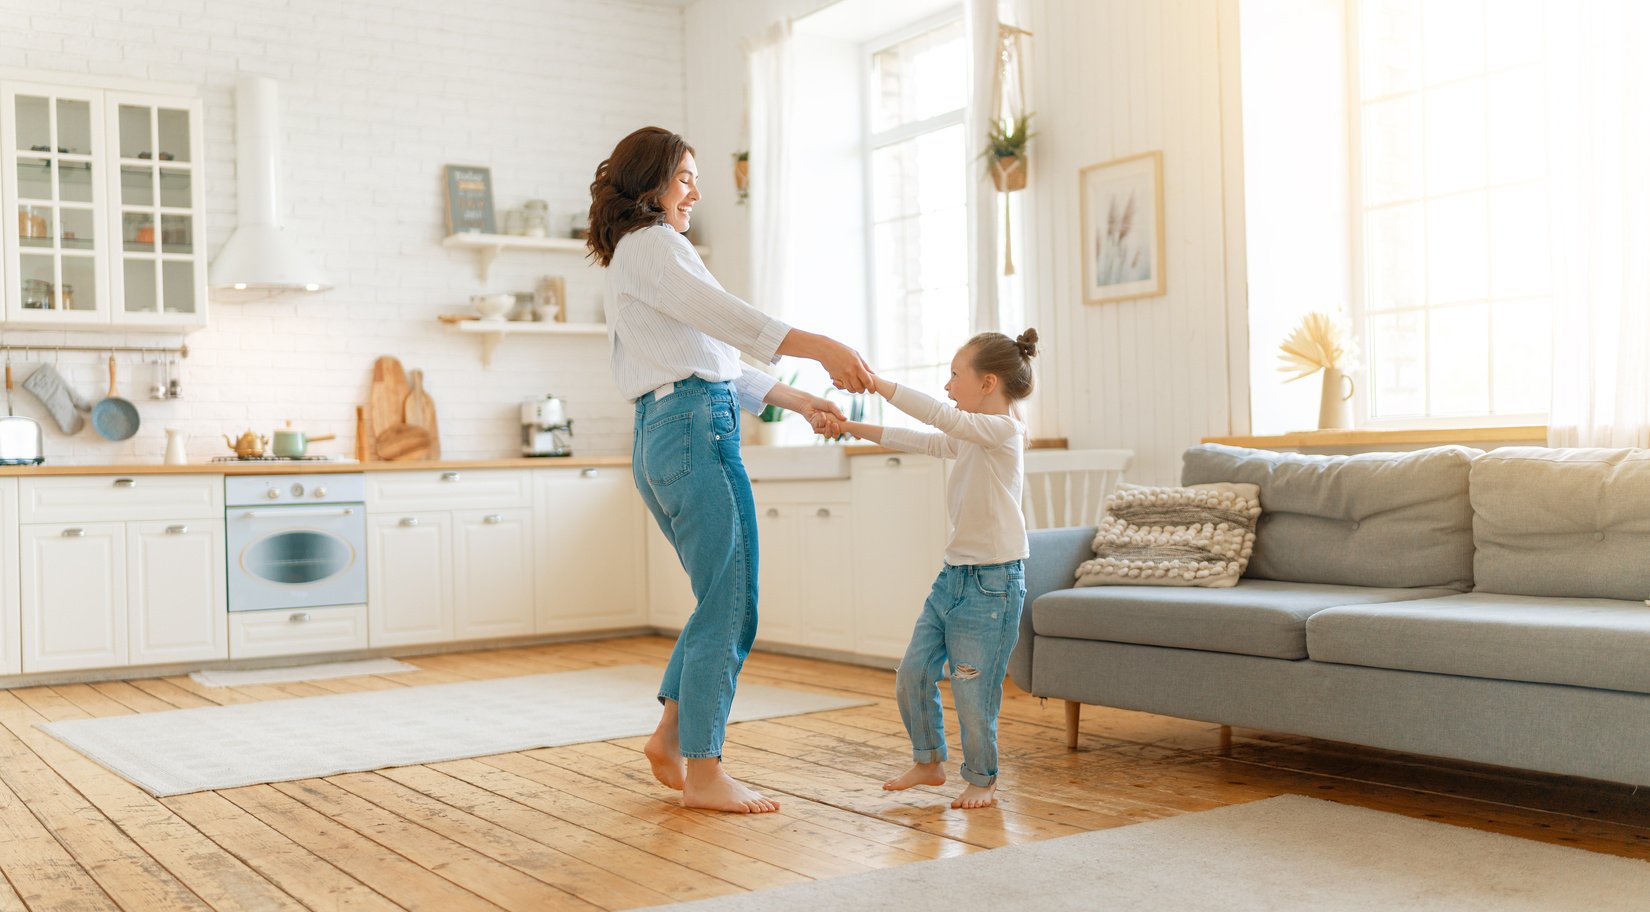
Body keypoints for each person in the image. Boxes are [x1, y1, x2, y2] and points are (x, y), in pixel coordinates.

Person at [587, 126, 875, 814]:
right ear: (651, 185)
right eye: (684, 177)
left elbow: (708, 352)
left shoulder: (637, 255)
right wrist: (823, 345)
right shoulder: (657, 245)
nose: (695, 191)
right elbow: (733, 321)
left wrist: (797, 397)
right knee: (733, 601)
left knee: (722, 596)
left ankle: (671, 738)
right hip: (694, 430)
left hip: (667, 431)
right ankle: (705, 770)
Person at [826, 329, 1038, 809]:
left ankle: (982, 779)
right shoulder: (970, 437)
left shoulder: (1003, 431)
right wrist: (850, 428)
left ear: (987, 383)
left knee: (972, 689)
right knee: (913, 672)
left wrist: (876, 384)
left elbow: (939, 416)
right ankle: (929, 762)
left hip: (993, 584)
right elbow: (920, 438)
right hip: (954, 576)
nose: (947, 385)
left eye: (954, 375)